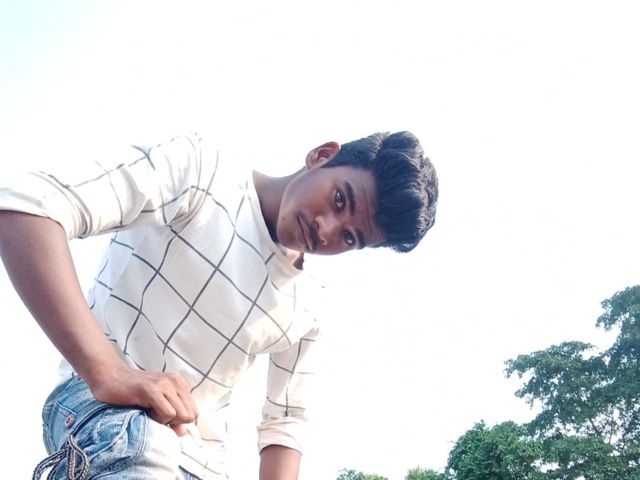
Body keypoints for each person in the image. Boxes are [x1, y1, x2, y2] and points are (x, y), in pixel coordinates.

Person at [0, 130, 438, 480]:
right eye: (341, 199)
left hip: (201, 462)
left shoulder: (307, 306)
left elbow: (286, 421)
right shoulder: (203, 173)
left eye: (350, 237)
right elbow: (27, 207)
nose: (327, 229)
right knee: (145, 450)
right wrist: (108, 373)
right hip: (106, 420)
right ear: (322, 155)